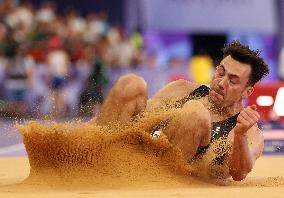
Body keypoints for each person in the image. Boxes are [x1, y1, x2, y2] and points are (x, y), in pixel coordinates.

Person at [95, 40, 269, 181]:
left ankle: (160, 181)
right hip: (138, 162)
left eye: (232, 80)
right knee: (131, 84)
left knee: (195, 113)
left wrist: (240, 135)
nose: (221, 83)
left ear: (247, 91)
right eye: (221, 73)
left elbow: (239, 174)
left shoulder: (250, 133)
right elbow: (137, 119)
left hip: (170, 181)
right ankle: (91, 157)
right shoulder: (182, 90)